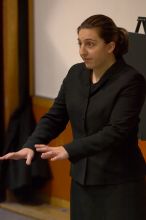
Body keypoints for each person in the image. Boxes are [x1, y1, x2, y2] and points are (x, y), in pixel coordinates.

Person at [0, 14, 146, 220]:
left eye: (90, 44)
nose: (82, 51)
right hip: (81, 181)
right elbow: (54, 117)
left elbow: (116, 132)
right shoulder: (75, 74)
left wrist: (68, 149)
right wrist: (30, 145)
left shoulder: (131, 80)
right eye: (79, 43)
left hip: (119, 183)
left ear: (110, 46)